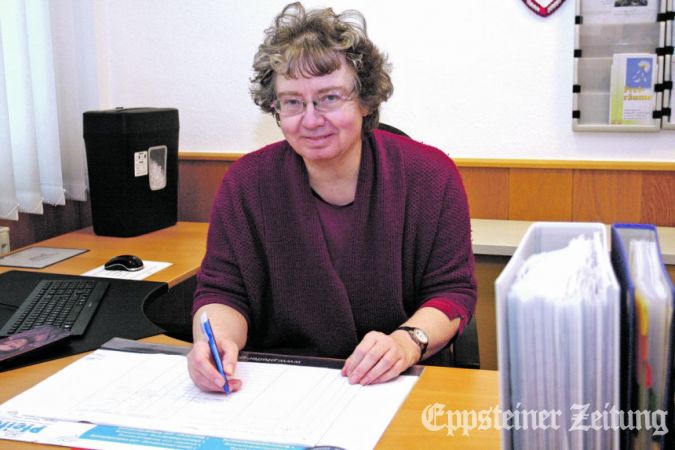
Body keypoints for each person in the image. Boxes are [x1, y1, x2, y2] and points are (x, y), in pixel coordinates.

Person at [187, 2, 476, 393]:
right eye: (292, 101)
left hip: (398, 382)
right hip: (282, 383)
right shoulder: (246, 183)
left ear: (365, 99)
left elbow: (453, 292)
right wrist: (217, 341)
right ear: (275, 109)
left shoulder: (430, 176)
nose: (310, 119)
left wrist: (407, 342)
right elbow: (224, 291)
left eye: (329, 98)